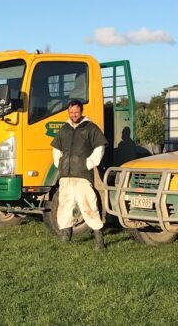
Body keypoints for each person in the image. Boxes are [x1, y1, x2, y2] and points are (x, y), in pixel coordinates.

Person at [51, 99, 108, 250]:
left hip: (82, 175)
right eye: (71, 112)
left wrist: (88, 164)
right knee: (65, 206)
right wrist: (59, 163)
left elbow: (100, 147)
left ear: (82, 111)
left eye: (76, 112)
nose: (73, 115)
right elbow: (56, 148)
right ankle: (65, 237)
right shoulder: (64, 129)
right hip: (66, 176)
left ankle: (99, 242)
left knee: (89, 205)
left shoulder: (91, 128)